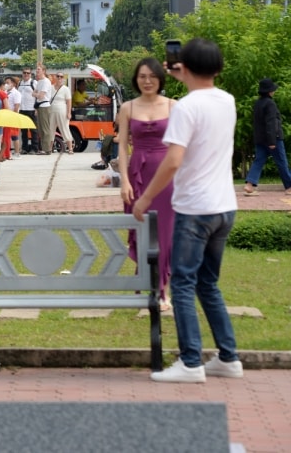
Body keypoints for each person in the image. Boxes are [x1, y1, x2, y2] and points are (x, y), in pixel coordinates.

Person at [132, 38, 243, 383]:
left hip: (195, 208)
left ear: (186, 66)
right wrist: (186, 75)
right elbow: (202, 90)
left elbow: (173, 161)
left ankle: (191, 361)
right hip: (225, 206)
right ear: (218, 68)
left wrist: (146, 197)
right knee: (207, 283)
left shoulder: (185, 108)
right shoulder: (226, 100)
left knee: (181, 283)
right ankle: (228, 357)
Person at [118, 58, 176, 308]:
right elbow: (121, 147)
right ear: (136, 79)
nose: (147, 81)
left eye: (152, 76)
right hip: (138, 174)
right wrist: (124, 181)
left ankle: (163, 291)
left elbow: (180, 146)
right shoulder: (127, 108)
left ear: (160, 79)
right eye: (142, 76)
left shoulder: (174, 106)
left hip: (168, 176)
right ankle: (144, 286)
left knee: (166, 234)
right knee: (141, 231)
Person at [243, 79, 291, 196]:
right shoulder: (270, 104)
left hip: (260, 139)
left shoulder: (258, 103)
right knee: (281, 162)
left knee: (258, 161)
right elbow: (271, 123)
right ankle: (289, 186)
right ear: (269, 91)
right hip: (273, 138)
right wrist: (272, 141)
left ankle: (249, 184)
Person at [51, 72, 75, 154]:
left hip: (62, 109)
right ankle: (49, 148)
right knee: (51, 129)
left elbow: (69, 102)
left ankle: (70, 148)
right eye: (58, 76)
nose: (59, 78)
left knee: (64, 128)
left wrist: (69, 112)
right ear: (55, 77)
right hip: (52, 110)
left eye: (61, 77)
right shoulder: (51, 88)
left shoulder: (65, 89)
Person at [34, 66, 54, 155]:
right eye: (37, 69)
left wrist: (36, 94)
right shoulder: (39, 82)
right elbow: (34, 93)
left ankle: (47, 149)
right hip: (39, 106)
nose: (37, 71)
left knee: (45, 128)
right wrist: (37, 94)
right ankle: (44, 148)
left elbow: (41, 96)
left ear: (43, 71)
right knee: (41, 128)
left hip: (45, 106)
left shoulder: (46, 81)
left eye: (39, 69)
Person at [18, 68, 37, 154]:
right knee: (24, 131)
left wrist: (37, 108)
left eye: (28, 73)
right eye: (24, 73)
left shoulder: (34, 83)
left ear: (30, 74)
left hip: (31, 109)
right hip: (22, 109)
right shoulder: (19, 83)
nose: (26, 74)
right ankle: (24, 148)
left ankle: (35, 148)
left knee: (33, 130)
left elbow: (38, 95)